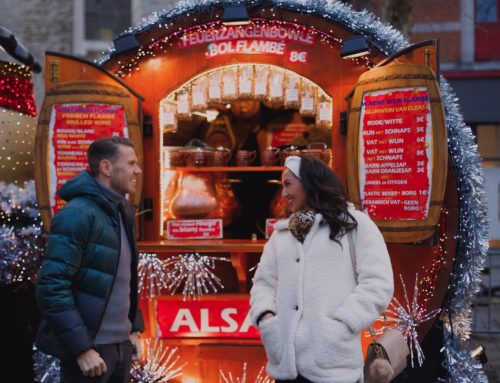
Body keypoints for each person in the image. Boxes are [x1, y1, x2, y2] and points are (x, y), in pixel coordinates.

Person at [250, 155, 394, 383]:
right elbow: (263, 284)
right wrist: (268, 319)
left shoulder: (354, 224)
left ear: (309, 183)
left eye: (288, 184)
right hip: (286, 364)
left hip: (333, 365)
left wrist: (341, 324)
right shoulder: (281, 235)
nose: (284, 193)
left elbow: (378, 283)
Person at [36, 136, 144, 382]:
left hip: (120, 347)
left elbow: (124, 277)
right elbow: (52, 286)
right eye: (130, 163)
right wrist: (82, 348)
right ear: (106, 168)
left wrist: (133, 328)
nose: (137, 170)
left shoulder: (120, 209)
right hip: (92, 353)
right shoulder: (77, 213)